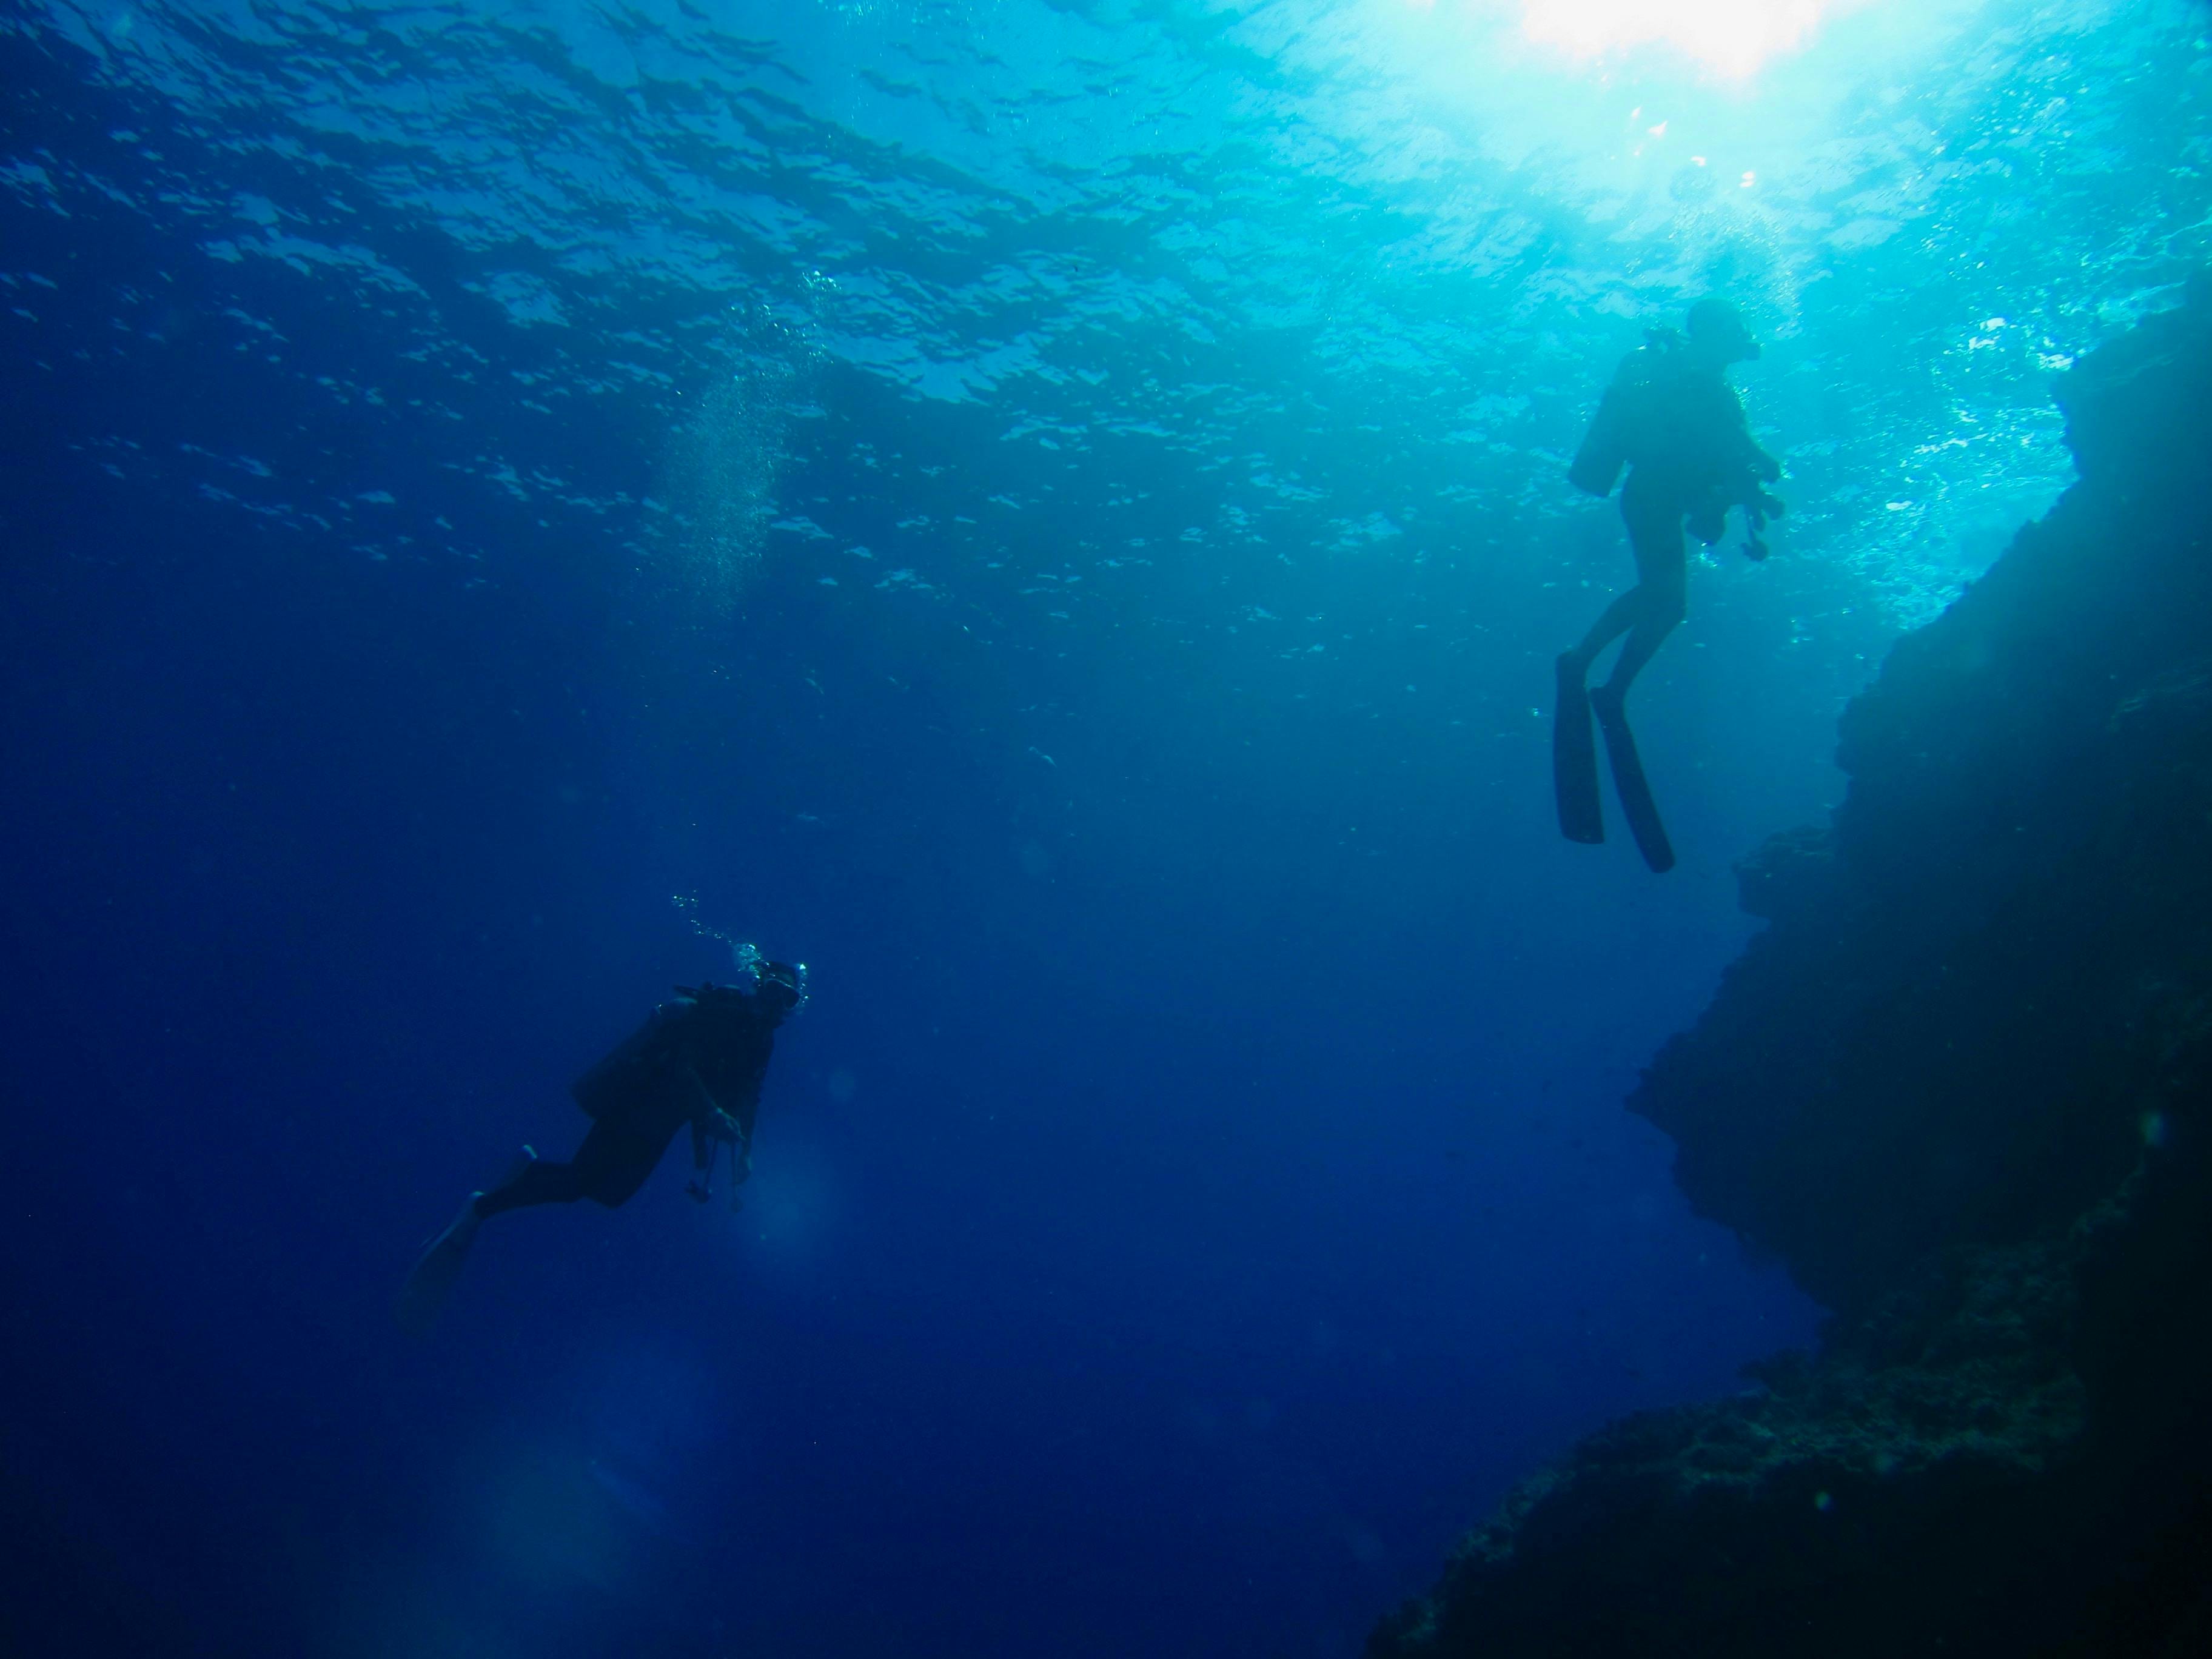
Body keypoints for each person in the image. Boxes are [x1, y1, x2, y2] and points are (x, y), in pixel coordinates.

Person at [396, 950, 808, 1333]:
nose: (776, 1004)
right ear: (759, 984)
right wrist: (711, 1115)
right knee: (577, 1183)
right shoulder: (723, 1013)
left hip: (663, 1124)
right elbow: (682, 1067)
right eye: (773, 991)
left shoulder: (762, 1041)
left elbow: (751, 1095)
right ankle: (481, 1207)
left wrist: (746, 1150)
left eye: (786, 998)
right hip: (638, 1106)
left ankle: (531, 1174)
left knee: (610, 1194)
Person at [1553, 298, 1785, 871]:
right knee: (1663, 595)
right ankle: (1582, 663)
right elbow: (1719, 439)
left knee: (1670, 604)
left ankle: (1608, 687)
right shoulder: (1683, 369)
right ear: (1715, 331)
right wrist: (1756, 466)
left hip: (1665, 497)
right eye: (1736, 328)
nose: (1744, 339)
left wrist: (1746, 496)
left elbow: (1725, 460)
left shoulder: (1719, 389)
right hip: (1651, 494)